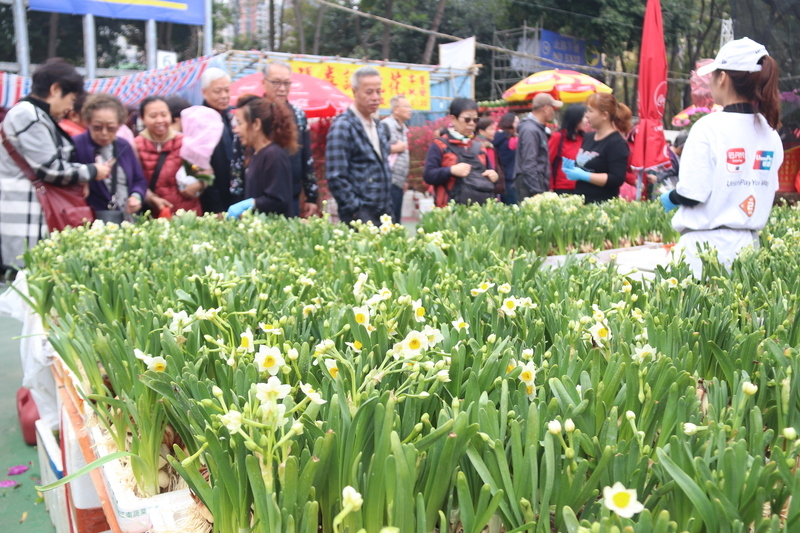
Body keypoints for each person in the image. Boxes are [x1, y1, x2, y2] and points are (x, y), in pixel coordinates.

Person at [660, 37, 783, 277]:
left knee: (696, 313)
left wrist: (670, 197)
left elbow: (692, 193)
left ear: (723, 77)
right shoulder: (770, 132)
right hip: (748, 249)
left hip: (703, 250)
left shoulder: (709, 127)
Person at [0, 58, 113, 269]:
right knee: (26, 284)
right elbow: (50, 169)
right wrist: (92, 171)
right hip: (26, 219)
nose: (71, 108)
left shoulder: (36, 114)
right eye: (71, 99)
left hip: (34, 215)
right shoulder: (28, 115)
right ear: (55, 89)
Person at [326, 66, 393, 225]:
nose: (375, 97)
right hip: (359, 216)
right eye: (369, 92)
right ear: (354, 92)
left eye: (378, 92)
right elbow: (336, 176)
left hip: (384, 212)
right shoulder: (343, 126)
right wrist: (356, 211)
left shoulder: (378, 126)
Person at [73, 93, 148, 221]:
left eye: (111, 128)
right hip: (89, 219)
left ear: (119, 125)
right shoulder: (76, 145)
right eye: (97, 127)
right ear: (88, 122)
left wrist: (136, 196)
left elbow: (139, 179)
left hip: (125, 217)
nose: (104, 133)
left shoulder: (124, 146)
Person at [261, 60, 319, 218]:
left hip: (290, 195)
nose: (282, 89)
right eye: (276, 83)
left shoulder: (298, 115)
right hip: (258, 196)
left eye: (286, 83)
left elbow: (306, 156)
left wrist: (311, 195)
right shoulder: (253, 113)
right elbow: (239, 158)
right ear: (263, 83)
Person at [227, 95, 297, 219]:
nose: (236, 130)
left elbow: (278, 199)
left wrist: (252, 204)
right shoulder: (256, 153)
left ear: (256, 124)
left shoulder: (274, 155)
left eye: (239, 123)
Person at [422, 97, 499, 206]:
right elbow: (428, 175)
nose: (472, 123)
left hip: (479, 211)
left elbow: (489, 174)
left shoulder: (480, 146)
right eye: (467, 119)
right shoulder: (439, 145)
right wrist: (450, 171)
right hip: (449, 211)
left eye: (475, 120)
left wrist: (494, 177)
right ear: (453, 119)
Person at [134, 96, 200, 215]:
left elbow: (199, 169)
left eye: (164, 115)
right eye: (153, 116)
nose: (160, 120)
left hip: (188, 213)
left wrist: (199, 184)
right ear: (142, 118)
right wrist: (151, 198)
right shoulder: (136, 146)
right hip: (156, 214)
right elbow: (136, 180)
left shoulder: (185, 142)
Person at [561, 93, 632, 203]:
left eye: (590, 111)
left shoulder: (617, 143)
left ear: (604, 115)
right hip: (580, 201)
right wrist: (572, 167)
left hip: (601, 204)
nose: (587, 115)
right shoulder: (588, 137)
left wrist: (585, 176)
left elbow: (617, 179)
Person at [199, 68, 238, 214]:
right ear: (204, 92)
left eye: (227, 90)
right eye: (218, 91)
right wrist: (215, 207)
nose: (224, 96)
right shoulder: (199, 119)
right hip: (212, 200)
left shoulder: (228, 116)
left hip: (232, 195)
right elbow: (193, 165)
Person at [515, 93, 563, 200]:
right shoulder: (530, 130)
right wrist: (536, 192)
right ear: (546, 109)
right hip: (530, 186)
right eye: (552, 108)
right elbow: (529, 163)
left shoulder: (536, 128)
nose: (553, 112)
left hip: (534, 183)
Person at [381, 95, 412, 223]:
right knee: (388, 220)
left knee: (396, 219)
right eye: (406, 106)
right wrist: (395, 148)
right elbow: (376, 148)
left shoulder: (403, 128)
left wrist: (403, 180)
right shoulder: (385, 125)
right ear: (395, 109)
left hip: (397, 182)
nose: (410, 109)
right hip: (386, 181)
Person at [548, 104, 589, 194]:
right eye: (584, 117)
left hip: (583, 186)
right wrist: (550, 187)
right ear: (575, 118)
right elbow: (548, 163)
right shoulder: (558, 137)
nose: (587, 121)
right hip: (562, 187)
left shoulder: (585, 138)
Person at [647, 130, 687, 196]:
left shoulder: (675, 155)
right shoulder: (666, 155)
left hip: (672, 188)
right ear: (681, 147)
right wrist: (658, 177)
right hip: (663, 188)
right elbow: (663, 172)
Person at [493, 112, 519, 204]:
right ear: (510, 123)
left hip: (499, 177)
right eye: (516, 122)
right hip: (510, 177)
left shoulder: (495, 136)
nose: (518, 125)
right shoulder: (512, 139)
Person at [475, 117, 505, 197]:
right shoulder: (487, 147)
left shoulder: (474, 143)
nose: (494, 132)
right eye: (491, 129)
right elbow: (492, 168)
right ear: (481, 131)